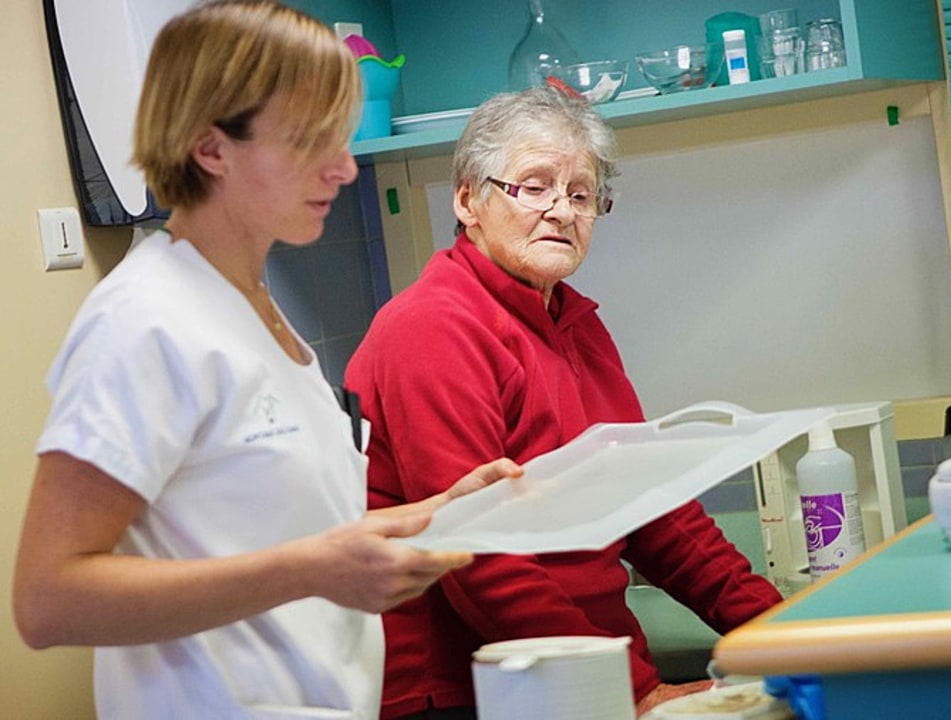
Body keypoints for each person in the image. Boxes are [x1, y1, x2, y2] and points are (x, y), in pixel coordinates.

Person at [11, 2, 519, 717]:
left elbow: (280, 539)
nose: (343, 168)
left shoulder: (260, 314)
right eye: (311, 140)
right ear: (210, 147)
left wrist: (440, 514)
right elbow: (48, 601)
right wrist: (310, 571)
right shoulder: (145, 321)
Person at [344, 86, 784, 720]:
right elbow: (476, 555)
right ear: (468, 200)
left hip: (581, 672)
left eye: (581, 194)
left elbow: (656, 512)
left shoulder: (572, 322)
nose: (561, 210)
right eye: (533, 186)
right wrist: (630, 691)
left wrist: (782, 628)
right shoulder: (432, 327)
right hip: (467, 688)